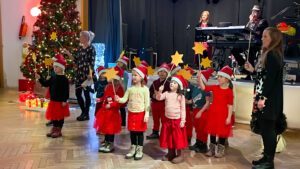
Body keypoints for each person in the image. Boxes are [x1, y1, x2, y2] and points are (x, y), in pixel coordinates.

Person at [244, 27, 284, 169]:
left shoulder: (273, 55)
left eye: (265, 36)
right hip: (264, 97)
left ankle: (269, 161)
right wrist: (253, 70)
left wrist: (263, 98)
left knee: (268, 130)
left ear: (273, 39)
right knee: (265, 129)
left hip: (269, 100)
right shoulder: (268, 54)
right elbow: (263, 77)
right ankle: (266, 157)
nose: (262, 38)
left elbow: (270, 80)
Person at [197, 66, 234, 158]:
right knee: (212, 131)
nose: (218, 78)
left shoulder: (229, 92)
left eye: (221, 77)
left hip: (223, 114)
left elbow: (230, 105)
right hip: (214, 113)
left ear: (227, 79)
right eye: (218, 76)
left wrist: (229, 117)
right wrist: (199, 78)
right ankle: (212, 149)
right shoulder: (215, 87)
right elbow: (204, 88)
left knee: (222, 132)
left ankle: (221, 150)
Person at [115, 66, 150, 160]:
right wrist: (119, 99)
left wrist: (146, 114)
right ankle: (133, 147)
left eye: (136, 75)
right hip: (131, 114)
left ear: (141, 77)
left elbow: (147, 103)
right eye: (133, 75)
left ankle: (139, 149)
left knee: (139, 133)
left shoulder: (145, 89)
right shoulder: (130, 89)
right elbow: (124, 99)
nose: (134, 77)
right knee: (132, 132)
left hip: (140, 114)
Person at [63, 31, 96, 121]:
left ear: (86, 38)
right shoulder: (80, 48)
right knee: (78, 93)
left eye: (80, 37)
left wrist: (90, 74)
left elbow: (92, 62)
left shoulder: (91, 48)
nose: (79, 38)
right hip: (79, 74)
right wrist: (68, 54)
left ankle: (86, 114)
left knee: (86, 94)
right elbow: (76, 60)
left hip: (87, 74)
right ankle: (83, 112)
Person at [35, 55, 70, 138]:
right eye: (54, 67)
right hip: (53, 101)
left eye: (57, 67)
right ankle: (54, 128)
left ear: (62, 68)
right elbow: (45, 84)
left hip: (61, 101)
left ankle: (59, 129)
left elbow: (66, 91)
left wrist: (64, 100)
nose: (55, 68)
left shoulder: (64, 79)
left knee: (60, 116)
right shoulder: (53, 78)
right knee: (54, 115)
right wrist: (40, 78)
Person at [156, 75, 188, 164]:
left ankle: (180, 154)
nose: (172, 84)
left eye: (175, 83)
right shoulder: (166, 93)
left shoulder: (180, 96)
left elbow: (183, 109)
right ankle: (171, 153)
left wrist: (183, 121)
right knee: (169, 137)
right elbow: (158, 98)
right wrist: (160, 91)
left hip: (177, 121)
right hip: (168, 120)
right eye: (171, 82)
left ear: (179, 86)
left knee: (178, 138)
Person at [232, 5, 268, 80]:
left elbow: (256, 31)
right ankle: (244, 66)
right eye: (253, 11)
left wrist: (251, 21)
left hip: (256, 42)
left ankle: (250, 74)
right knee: (234, 50)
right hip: (246, 42)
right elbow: (245, 31)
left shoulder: (262, 21)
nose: (254, 13)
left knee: (250, 50)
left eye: (256, 11)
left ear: (259, 12)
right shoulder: (250, 21)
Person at [94, 67, 124, 153]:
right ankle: (106, 141)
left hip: (113, 112)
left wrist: (111, 104)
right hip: (105, 111)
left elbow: (119, 102)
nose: (107, 77)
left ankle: (110, 143)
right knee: (105, 128)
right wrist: (100, 99)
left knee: (111, 128)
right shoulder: (108, 86)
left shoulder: (119, 89)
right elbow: (105, 97)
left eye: (109, 75)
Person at [189, 68, 214, 153]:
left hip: (203, 112)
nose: (196, 78)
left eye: (199, 77)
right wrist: (188, 101)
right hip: (196, 110)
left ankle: (203, 145)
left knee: (203, 129)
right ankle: (198, 143)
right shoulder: (196, 88)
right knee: (197, 128)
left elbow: (207, 103)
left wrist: (200, 111)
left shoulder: (206, 89)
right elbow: (194, 99)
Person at [147, 63, 170, 139]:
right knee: (155, 119)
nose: (162, 73)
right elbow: (150, 92)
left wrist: (162, 95)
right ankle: (155, 132)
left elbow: (170, 94)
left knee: (164, 119)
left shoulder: (168, 84)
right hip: (155, 104)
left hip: (164, 104)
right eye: (161, 71)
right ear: (158, 73)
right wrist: (153, 95)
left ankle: (164, 133)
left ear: (167, 74)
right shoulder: (154, 83)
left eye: (164, 72)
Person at [116, 56, 129, 127]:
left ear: (123, 64)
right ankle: (120, 121)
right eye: (118, 62)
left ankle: (123, 122)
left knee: (121, 108)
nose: (118, 63)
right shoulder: (119, 72)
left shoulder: (124, 73)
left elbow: (123, 84)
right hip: (119, 91)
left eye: (120, 62)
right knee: (119, 108)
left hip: (122, 92)